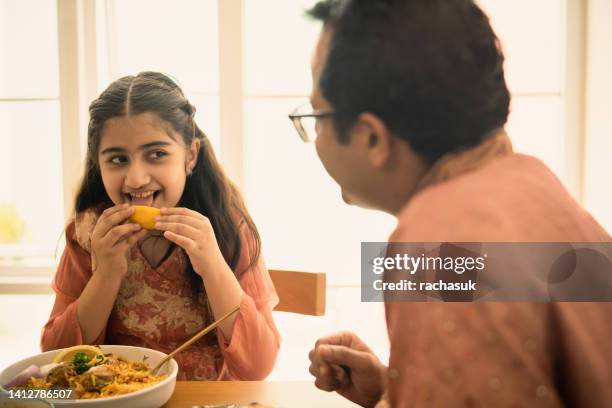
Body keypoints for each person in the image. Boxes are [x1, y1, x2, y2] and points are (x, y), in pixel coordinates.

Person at [297, 0, 612, 407]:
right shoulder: (534, 183)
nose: (314, 134)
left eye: (318, 115)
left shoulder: (436, 245)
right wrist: (393, 390)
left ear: (371, 138)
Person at [41, 71, 280, 381]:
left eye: (156, 154)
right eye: (117, 159)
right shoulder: (87, 233)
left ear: (190, 155)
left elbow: (257, 368)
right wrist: (107, 273)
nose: (136, 178)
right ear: (97, 164)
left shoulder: (228, 228)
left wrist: (212, 265)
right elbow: (56, 363)